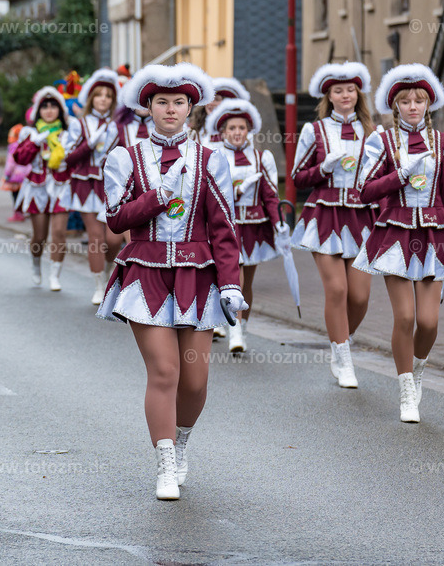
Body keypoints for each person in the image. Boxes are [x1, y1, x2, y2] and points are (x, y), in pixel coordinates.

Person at [97, 63, 244, 500]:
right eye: (161, 102)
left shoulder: (211, 158)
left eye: (179, 102)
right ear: (147, 107)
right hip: (146, 272)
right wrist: (158, 196)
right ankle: (163, 461)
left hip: (198, 277)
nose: (171, 109)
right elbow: (116, 217)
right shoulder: (126, 156)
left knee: (195, 380)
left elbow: (223, 227)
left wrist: (231, 282)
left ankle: (180, 442)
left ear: (191, 108)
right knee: (164, 371)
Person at [353, 64, 444, 423]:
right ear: (395, 105)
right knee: (405, 316)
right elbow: (365, 190)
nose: (413, 106)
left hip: (434, 235)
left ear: (429, 104)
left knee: (429, 323)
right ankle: (405, 392)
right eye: (405, 101)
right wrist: (399, 175)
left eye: (419, 100)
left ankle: (417, 371)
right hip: (395, 234)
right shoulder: (380, 141)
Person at [290, 62, 376, 388]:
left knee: (360, 296)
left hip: (362, 216)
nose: (345, 95)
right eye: (338, 90)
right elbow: (298, 178)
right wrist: (323, 167)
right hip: (324, 213)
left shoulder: (372, 131)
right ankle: (343, 357)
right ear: (329, 94)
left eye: (350, 89)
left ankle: (342, 341)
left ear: (358, 94)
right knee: (337, 290)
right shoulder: (314, 131)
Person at [204, 98, 286, 351]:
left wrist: (279, 224)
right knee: (234, 278)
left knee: (246, 283)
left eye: (241, 128)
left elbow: (271, 195)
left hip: (253, 226)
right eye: (232, 128)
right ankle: (234, 331)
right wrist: (234, 191)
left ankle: (242, 328)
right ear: (223, 132)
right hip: (225, 225)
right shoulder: (214, 156)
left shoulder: (262, 158)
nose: (237, 133)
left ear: (249, 131)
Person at [64, 68, 125, 305]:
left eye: (108, 96)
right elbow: (68, 158)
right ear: (91, 98)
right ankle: (100, 285)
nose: (103, 99)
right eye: (99, 95)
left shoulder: (119, 126)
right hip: (86, 185)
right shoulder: (79, 125)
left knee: (113, 239)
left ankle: (108, 269)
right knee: (95, 237)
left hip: (111, 187)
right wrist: (88, 144)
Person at [13, 87, 72, 291]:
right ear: (38, 110)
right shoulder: (29, 133)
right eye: (44, 107)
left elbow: (76, 160)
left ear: (59, 110)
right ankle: (36, 263)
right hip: (37, 188)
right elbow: (20, 159)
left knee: (59, 233)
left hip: (61, 186)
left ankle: (55, 276)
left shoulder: (68, 133)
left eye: (53, 106)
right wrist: (32, 144)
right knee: (39, 237)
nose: (48, 111)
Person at [188, 77, 250, 148]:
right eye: (209, 99)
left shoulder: (240, 130)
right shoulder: (194, 129)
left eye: (217, 99)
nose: (211, 103)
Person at [0, 123, 30, 222]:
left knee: (16, 196)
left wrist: (7, 175)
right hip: (26, 176)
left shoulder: (13, 147)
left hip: (15, 177)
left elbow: (10, 163)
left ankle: (18, 213)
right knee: (25, 195)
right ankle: (26, 211)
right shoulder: (28, 145)